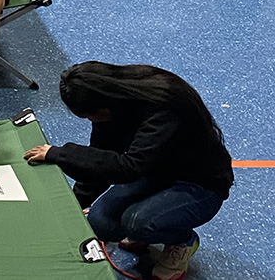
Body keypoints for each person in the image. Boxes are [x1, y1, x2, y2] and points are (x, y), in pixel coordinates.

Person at [24, 62, 233, 280]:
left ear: (103, 107)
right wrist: (75, 205)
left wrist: (61, 154)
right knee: (100, 223)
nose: (90, 121)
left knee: (137, 223)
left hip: (199, 183)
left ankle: (182, 241)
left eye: (89, 116)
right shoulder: (110, 103)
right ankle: (150, 225)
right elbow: (101, 155)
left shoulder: (164, 104)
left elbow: (130, 167)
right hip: (154, 172)